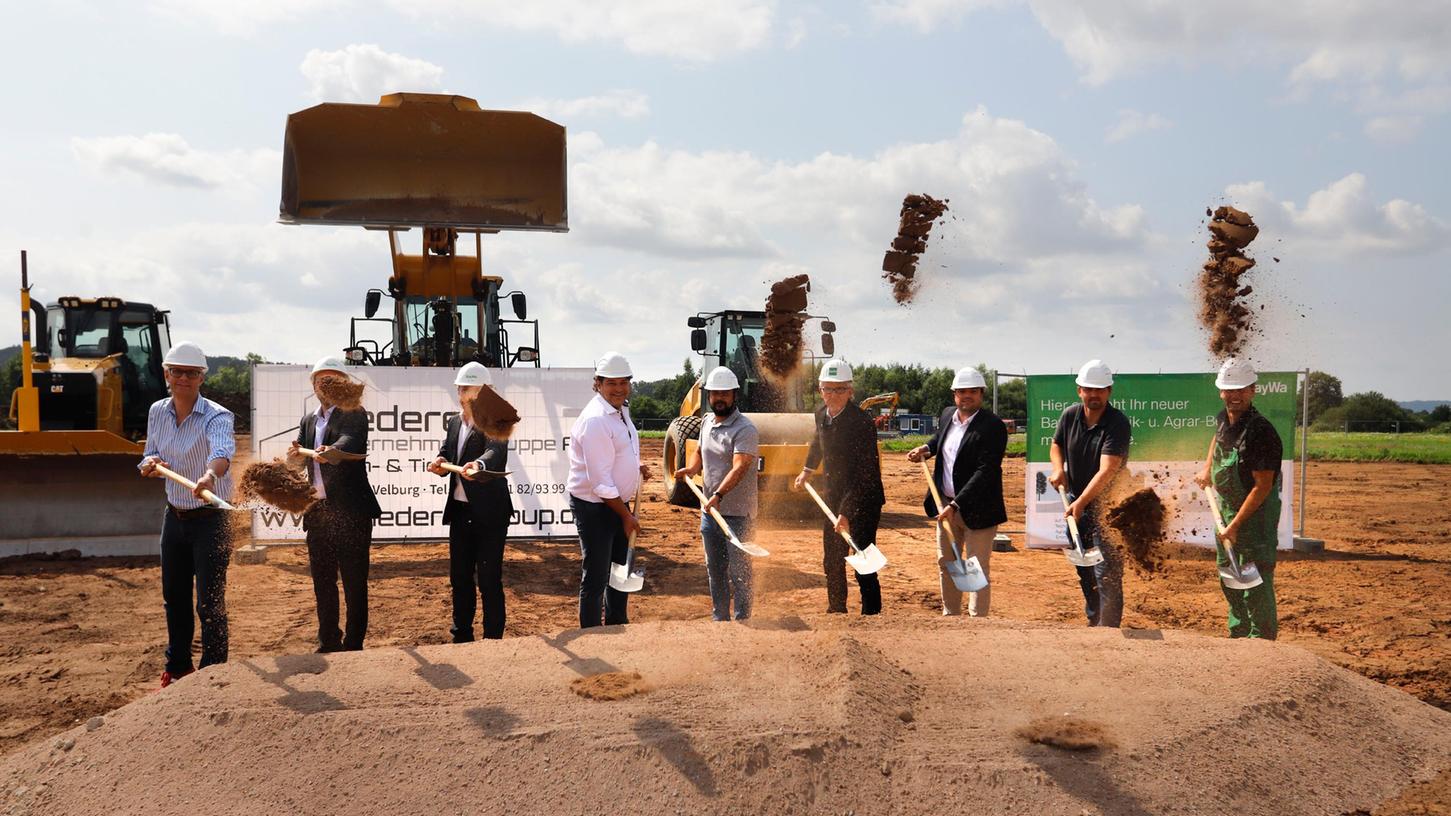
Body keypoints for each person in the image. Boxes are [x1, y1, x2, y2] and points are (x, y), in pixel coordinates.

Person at [137, 341, 235, 688]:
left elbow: (222, 452)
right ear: (166, 374)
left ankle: (213, 672)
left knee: (209, 602)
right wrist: (149, 464)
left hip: (211, 518)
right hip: (174, 515)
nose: (183, 378)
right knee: (174, 598)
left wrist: (209, 476)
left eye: (191, 373)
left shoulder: (218, 415)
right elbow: (149, 453)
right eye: (176, 372)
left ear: (201, 378)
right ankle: (177, 667)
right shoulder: (157, 411)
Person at [288, 357, 381, 653]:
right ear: (313, 385)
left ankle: (354, 644)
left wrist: (333, 450)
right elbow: (300, 456)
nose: (325, 386)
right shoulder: (309, 420)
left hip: (351, 511)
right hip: (317, 512)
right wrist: (293, 457)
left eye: (332, 380)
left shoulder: (354, 413)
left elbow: (350, 441)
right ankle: (328, 640)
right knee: (323, 581)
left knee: (354, 582)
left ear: (343, 384)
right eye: (320, 380)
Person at [907, 366, 1008, 617]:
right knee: (948, 562)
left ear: (981, 394)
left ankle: (976, 622)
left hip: (978, 510)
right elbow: (940, 439)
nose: (967, 396)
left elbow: (986, 471)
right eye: (962, 391)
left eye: (972, 391)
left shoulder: (992, 426)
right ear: (954, 395)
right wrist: (926, 449)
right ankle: (950, 615)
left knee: (975, 567)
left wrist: (956, 505)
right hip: (945, 504)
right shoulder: (948, 415)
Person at [1195, 358, 1283, 639]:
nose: (1235, 396)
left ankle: (1262, 639)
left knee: (1255, 577)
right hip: (1227, 509)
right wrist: (1208, 467)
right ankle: (1239, 632)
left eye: (1241, 390)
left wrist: (1235, 526)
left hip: (1255, 516)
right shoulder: (1224, 419)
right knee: (1230, 574)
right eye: (1229, 390)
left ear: (1253, 390)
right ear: (1221, 392)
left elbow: (1262, 486)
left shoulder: (1262, 433)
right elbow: (1216, 440)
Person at [428, 362, 515, 641]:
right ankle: (461, 635)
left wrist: (478, 463)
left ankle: (492, 639)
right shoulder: (455, 422)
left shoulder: (495, 419)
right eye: (460, 387)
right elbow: (447, 451)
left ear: (482, 392)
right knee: (460, 578)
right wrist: (441, 462)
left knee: (489, 580)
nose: (461, 392)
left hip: (490, 514)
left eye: (467, 388)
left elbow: (495, 454)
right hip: (460, 511)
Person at [793, 359, 886, 615]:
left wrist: (847, 512)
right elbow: (817, 441)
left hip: (863, 500)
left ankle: (872, 614)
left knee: (862, 561)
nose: (833, 395)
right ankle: (836, 610)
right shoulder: (821, 413)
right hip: (833, 497)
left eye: (840, 389)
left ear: (850, 391)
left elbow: (865, 475)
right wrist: (807, 470)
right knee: (832, 561)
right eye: (828, 389)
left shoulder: (862, 423)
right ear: (820, 390)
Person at [567, 352, 649, 628]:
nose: (618, 389)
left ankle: (617, 625)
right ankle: (591, 634)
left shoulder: (620, 411)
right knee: (597, 576)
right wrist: (626, 517)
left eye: (623, 382)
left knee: (620, 568)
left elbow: (618, 453)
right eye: (611, 383)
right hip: (595, 507)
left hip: (615, 503)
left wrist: (636, 466)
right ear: (598, 384)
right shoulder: (596, 420)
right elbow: (600, 482)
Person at [1049, 359, 1131, 627]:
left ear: (1109, 391)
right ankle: (1094, 623)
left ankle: (1108, 630)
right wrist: (1058, 468)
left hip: (1108, 509)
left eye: (1100, 389)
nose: (1093, 394)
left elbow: (1108, 470)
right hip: (1078, 505)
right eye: (1088, 389)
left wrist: (1082, 502)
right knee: (1084, 569)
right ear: (1079, 390)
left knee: (1106, 572)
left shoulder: (1117, 423)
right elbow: (1056, 444)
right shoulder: (1070, 415)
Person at [672, 366, 759, 621]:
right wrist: (692, 468)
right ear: (708, 396)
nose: (719, 398)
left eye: (725, 393)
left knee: (739, 571)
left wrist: (718, 495)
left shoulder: (745, 429)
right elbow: (701, 449)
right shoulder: (707, 421)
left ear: (734, 395)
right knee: (715, 570)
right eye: (715, 394)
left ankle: (743, 619)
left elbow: (740, 465)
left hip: (737, 514)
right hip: (710, 513)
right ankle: (720, 619)